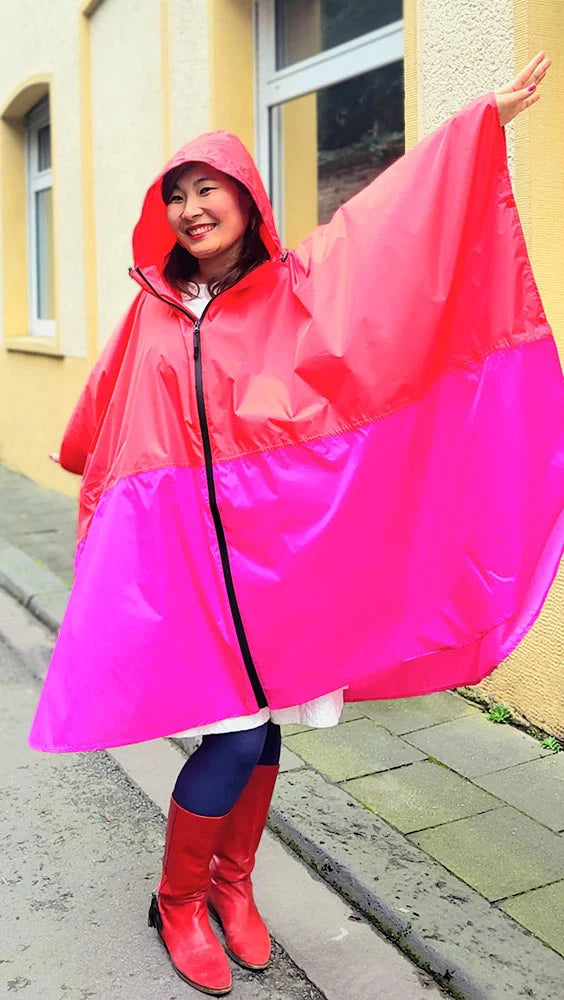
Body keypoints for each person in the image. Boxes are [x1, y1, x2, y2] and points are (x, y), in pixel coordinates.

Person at [32, 53, 562, 996]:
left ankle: (233, 885)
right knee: (231, 735)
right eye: (179, 195)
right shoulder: (154, 306)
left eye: (210, 189)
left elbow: (393, 233)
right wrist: (88, 471)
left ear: (245, 199)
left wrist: (481, 126)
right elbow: (111, 401)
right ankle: (179, 899)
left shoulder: (295, 290)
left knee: (266, 729)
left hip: (276, 565)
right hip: (186, 570)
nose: (194, 208)